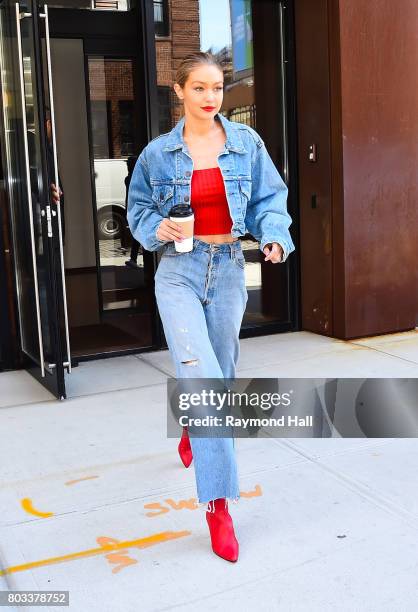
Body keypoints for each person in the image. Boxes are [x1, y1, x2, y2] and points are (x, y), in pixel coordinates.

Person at [127, 51, 295, 563]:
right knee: (205, 386)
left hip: (227, 270)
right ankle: (219, 505)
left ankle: (190, 423)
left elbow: (271, 200)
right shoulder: (158, 154)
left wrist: (273, 238)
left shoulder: (246, 143)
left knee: (219, 379)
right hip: (177, 274)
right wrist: (158, 227)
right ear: (179, 91)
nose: (210, 97)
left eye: (217, 87)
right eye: (199, 88)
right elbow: (138, 210)